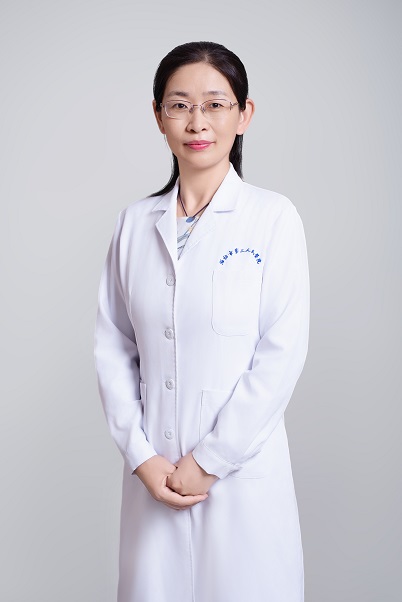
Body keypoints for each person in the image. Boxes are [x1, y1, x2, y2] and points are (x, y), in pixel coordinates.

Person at [94, 41, 310, 602]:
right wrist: (142, 457)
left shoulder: (272, 218)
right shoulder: (133, 225)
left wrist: (210, 461)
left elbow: (280, 354)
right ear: (158, 115)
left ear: (244, 114)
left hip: (241, 482)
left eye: (215, 104)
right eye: (179, 105)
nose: (197, 122)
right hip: (155, 478)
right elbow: (113, 348)